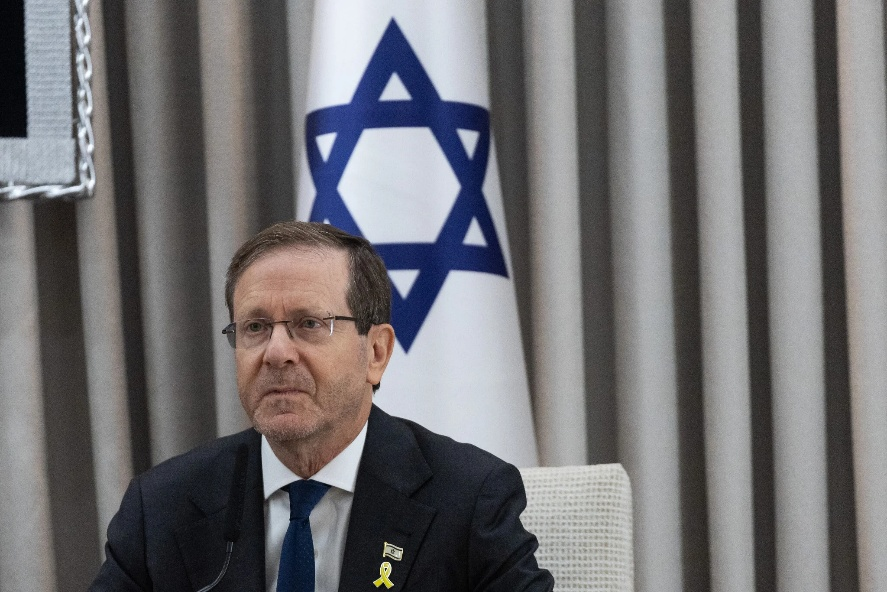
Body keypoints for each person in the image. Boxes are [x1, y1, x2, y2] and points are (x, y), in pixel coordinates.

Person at [90, 221, 554, 591]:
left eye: (309, 323)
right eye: (255, 327)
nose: (276, 352)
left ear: (376, 352)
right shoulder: (163, 507)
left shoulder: (469, 499)